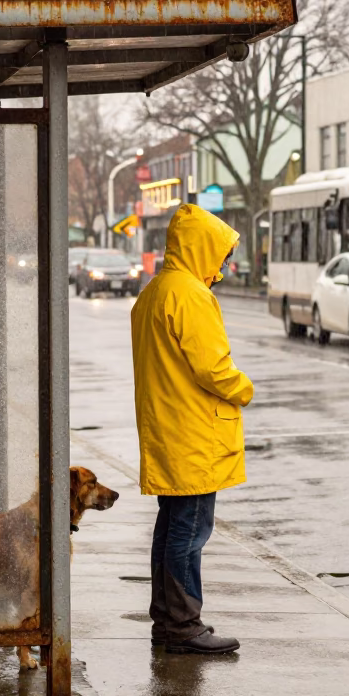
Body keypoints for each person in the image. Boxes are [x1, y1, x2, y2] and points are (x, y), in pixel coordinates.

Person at [130, 204, 254, 655]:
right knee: (190, 531)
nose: (222, 263)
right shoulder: (191, 295)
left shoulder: (155, 291)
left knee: (171, 527)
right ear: (202, 247)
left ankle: (168, 620)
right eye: (220, 253)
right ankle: (184, 625)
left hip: (169, 427)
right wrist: (245, 389)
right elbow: (213, 368)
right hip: (193, 431)